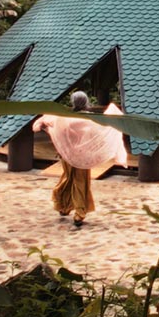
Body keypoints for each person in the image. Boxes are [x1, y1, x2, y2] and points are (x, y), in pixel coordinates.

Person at [32, 91, 125, 227]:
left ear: (73, 102)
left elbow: (42, 124)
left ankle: (63, 205)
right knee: (80, 181)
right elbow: (100, 129)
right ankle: (79, 213)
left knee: (68, 177)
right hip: (83, 157)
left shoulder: (64, 117)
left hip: (68, 155)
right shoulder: (90, 119)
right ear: (86, 102)